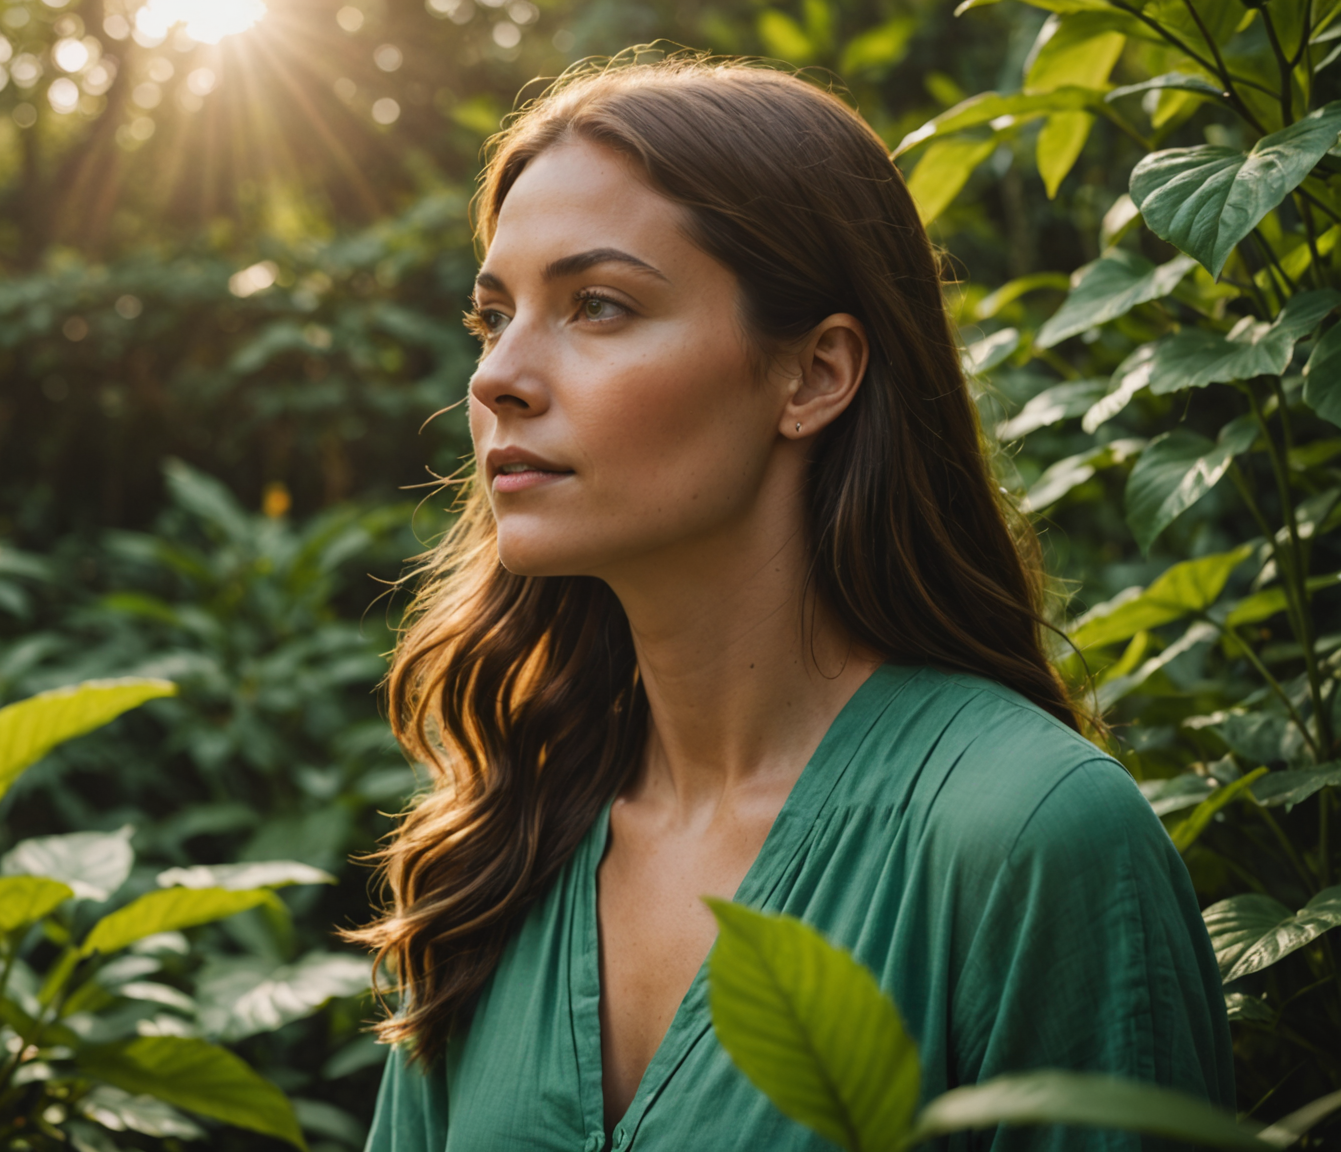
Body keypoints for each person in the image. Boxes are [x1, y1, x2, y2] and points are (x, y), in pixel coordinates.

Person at [348, 54, 1232, 1151]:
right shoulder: (497, 847)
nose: (496, 378)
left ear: (815, 374)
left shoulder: (1029, 838)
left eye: (599, 306)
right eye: (493, 317)